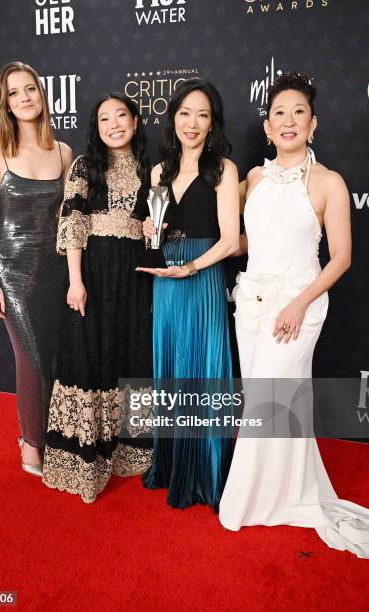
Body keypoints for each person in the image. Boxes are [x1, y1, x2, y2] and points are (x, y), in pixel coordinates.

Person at [219, 71, 369, 558]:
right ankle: (280, 490)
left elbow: (341, 258)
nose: (288, 121)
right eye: (279, 113)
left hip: (299, 308)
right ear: (266, 127)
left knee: (271, 399)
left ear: (313, 123)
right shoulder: (255, 179)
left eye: (298, 113)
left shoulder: (329, 181)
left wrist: (298, 304)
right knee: (264, 403)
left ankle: (251, 500)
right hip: (252, 305)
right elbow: (242, 240)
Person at [42, 93, 153, 503]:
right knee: (88, 354)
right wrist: (75, 279)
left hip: (134, 273)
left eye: (121, 116)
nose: (113, 124)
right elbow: (73, 221)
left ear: (136, 122)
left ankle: (130, 453)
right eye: (104, 118)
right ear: (96, 127)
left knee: (131, 352)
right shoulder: (85, 166)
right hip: (93, 270)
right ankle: (84, 459)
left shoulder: (151, 168)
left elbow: (155, 228)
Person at [137, 78, 239, 511]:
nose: (192, 123)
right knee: (172, 369)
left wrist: (193, 267)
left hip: (202, 275)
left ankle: (206, 472)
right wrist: (148, 230)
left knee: (203, 369)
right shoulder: (160, 170)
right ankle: (174, 461)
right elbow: (155, 232)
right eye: (185, 113)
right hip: (167, 277)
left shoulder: (224, 170)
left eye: (202, 114)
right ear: (173, 117)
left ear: (212, 121)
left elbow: (231, 240)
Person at [0, 61, 72, 476]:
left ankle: (54, 436)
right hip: (14, 274)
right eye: (14, 93)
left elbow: (72, 221)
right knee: (31, 358)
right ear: (6, 104)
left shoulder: (64, 151)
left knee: (53, 355)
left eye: (29, 89)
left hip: (56, 270)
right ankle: (31, 444)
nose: (24, 98)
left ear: (41, 93)